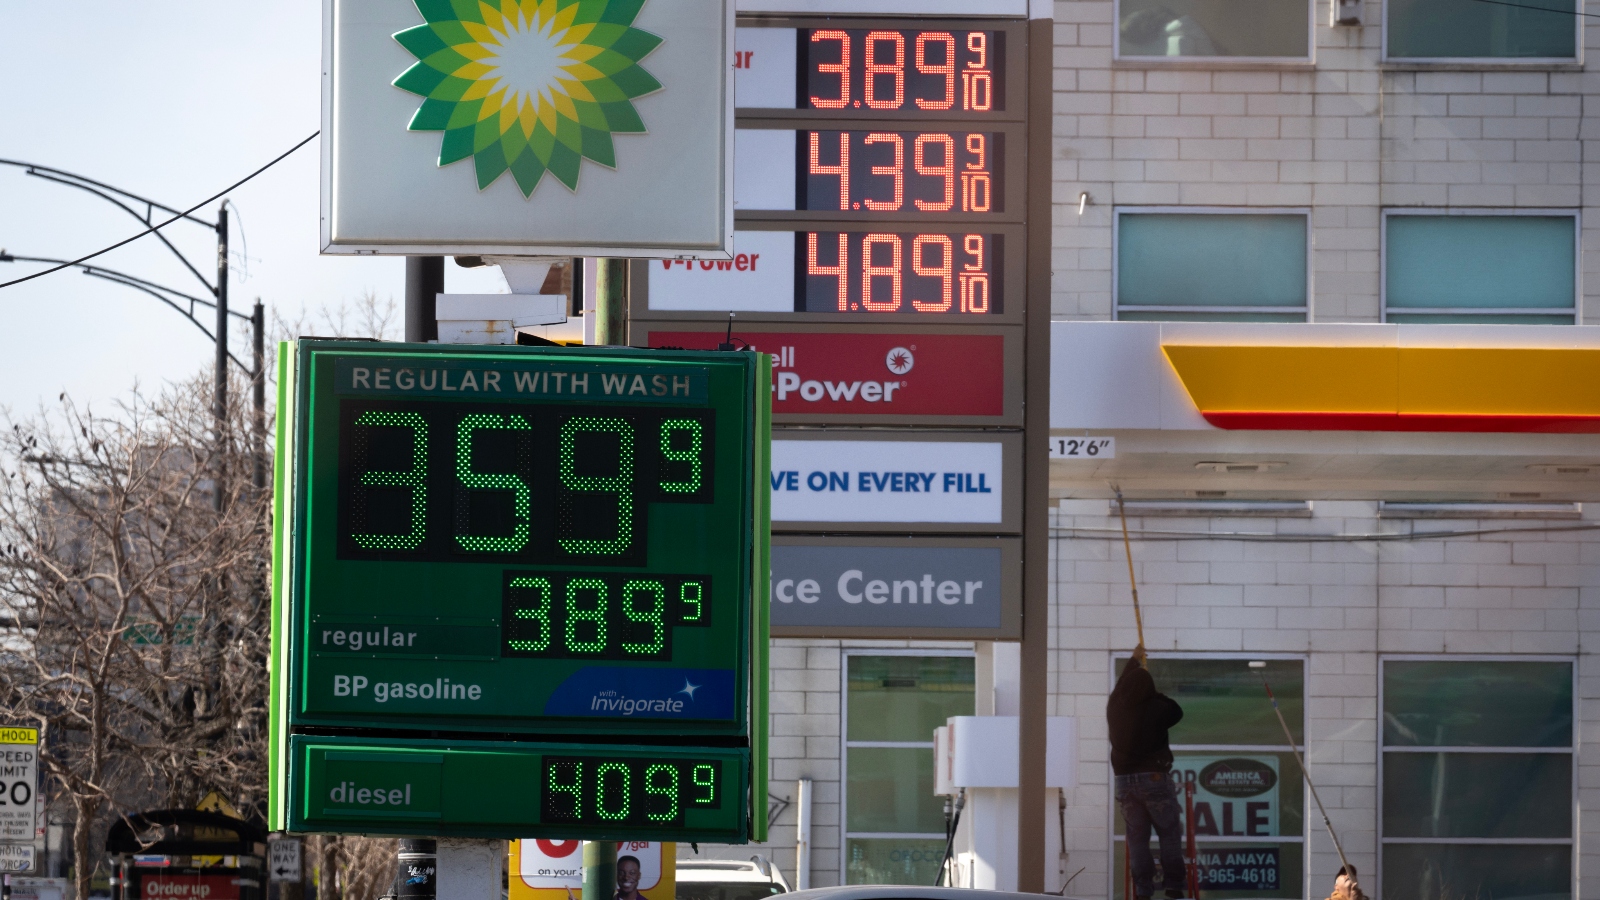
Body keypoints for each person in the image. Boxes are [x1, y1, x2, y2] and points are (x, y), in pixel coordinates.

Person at [1108, 645, 1188, 900]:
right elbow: (1177, 711)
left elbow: (1122, 686)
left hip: (1124, 782)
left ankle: (1143, 890)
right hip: (1153, 778)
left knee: (1138, 838)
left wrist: (1133, 661)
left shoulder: (1114, 706)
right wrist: (1157, 694)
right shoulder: (1157, 708)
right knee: (1168, 833)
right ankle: (1174, 886)